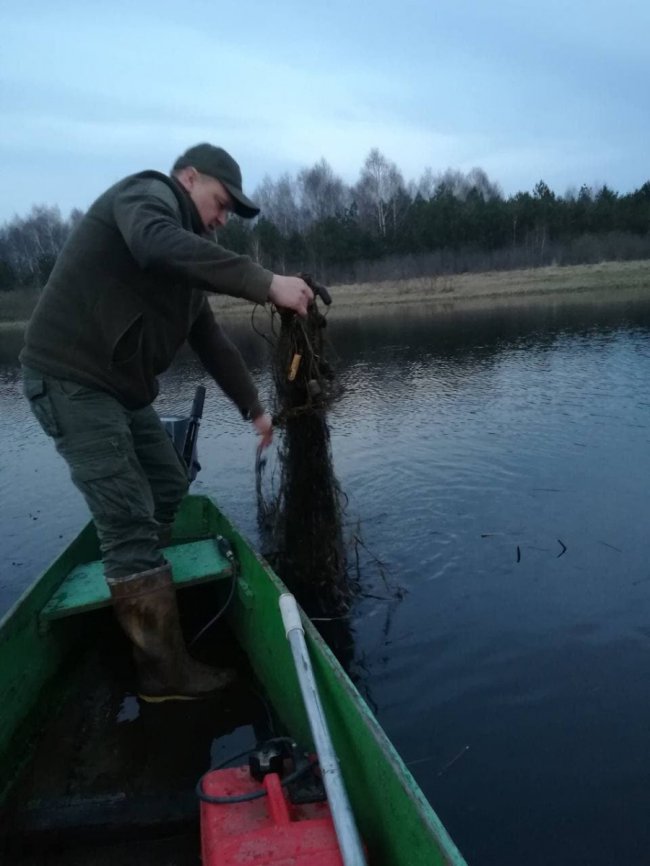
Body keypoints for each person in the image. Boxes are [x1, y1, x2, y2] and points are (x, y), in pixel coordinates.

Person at [20, 143, 314, 703]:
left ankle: (134, 595)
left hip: (119, 390)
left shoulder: (186, 266)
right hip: (70, 379)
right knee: (129, 518)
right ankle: (162, 674)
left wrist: (254, 408)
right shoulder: (146, 196)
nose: (222, 219)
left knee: (169, 484)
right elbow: (153, 244)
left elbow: (209, 338)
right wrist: (264, 281)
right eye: (220, 203)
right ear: (189, 176)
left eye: (229, 213)